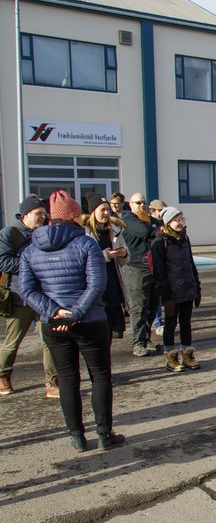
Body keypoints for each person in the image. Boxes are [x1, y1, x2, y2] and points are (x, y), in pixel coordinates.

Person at [19, 191, 124, 452]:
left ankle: (76, 435)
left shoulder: (31, 249)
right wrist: (76, 312)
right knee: (100, 376)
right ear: (75, 216)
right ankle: (104, 433)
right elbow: (97, 284)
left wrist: (53, 311)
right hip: (89, 320)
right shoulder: (86, 244)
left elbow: (27, 289)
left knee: (67, 379)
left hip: (53, 323)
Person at [0, 195, 59, 398]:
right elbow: (3, 262)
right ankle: (3, 375)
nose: (42, 217)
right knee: (13, 341)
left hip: (43, 297)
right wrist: (32, 266)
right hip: (19, 297)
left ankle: (52, 382)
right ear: (25, 215)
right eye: (38, 213)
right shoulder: (10, 233)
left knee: (49, 341)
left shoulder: (45, 233)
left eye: (44, 213)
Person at [150, 207, 201, 372]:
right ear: (167, 223)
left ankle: (188, 355)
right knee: (171, 324)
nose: (180, 223)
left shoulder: (185, 238)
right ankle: (171, 357)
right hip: (172, 292)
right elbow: (159, 272)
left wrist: (197, 287)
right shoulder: (159, 242)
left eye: (181, 219)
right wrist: (166, 297)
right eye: (176, 220)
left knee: (186, 323)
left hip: (187, 288)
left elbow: (191, 264)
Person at [82, 193, 130, 345]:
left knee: (112, 332)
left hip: (113, 286)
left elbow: (125, 259)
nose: (106, 213)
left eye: (107, 210)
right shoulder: (85, 233)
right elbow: (85, 261)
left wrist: (123, 254)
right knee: (100, 333)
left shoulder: (115, 231)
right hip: (97, 289)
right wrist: (107, 255)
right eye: (102, 210)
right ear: (93, 212)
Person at [120, 192, 160, 357]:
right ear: (131, 204)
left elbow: (159, 231)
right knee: (139, 307)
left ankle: (146, 338)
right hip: (135, 268)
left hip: (152, 268)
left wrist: (155, 228)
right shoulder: (128, 219)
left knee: (152, 306)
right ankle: (138, 342)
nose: (142, 205)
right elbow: (145, 231)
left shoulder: (148, 220)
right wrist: (154, 228)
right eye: (138, 202)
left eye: (144, 202)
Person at [148, 199, 167, 337]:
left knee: (161, 296)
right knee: (155, 297)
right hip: (152, 263)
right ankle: (157, 323)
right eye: (160, 210)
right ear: (153, 211)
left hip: (163, 262)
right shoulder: (148, 224)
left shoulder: (164, 222)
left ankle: (159, 321)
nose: (162, 213)